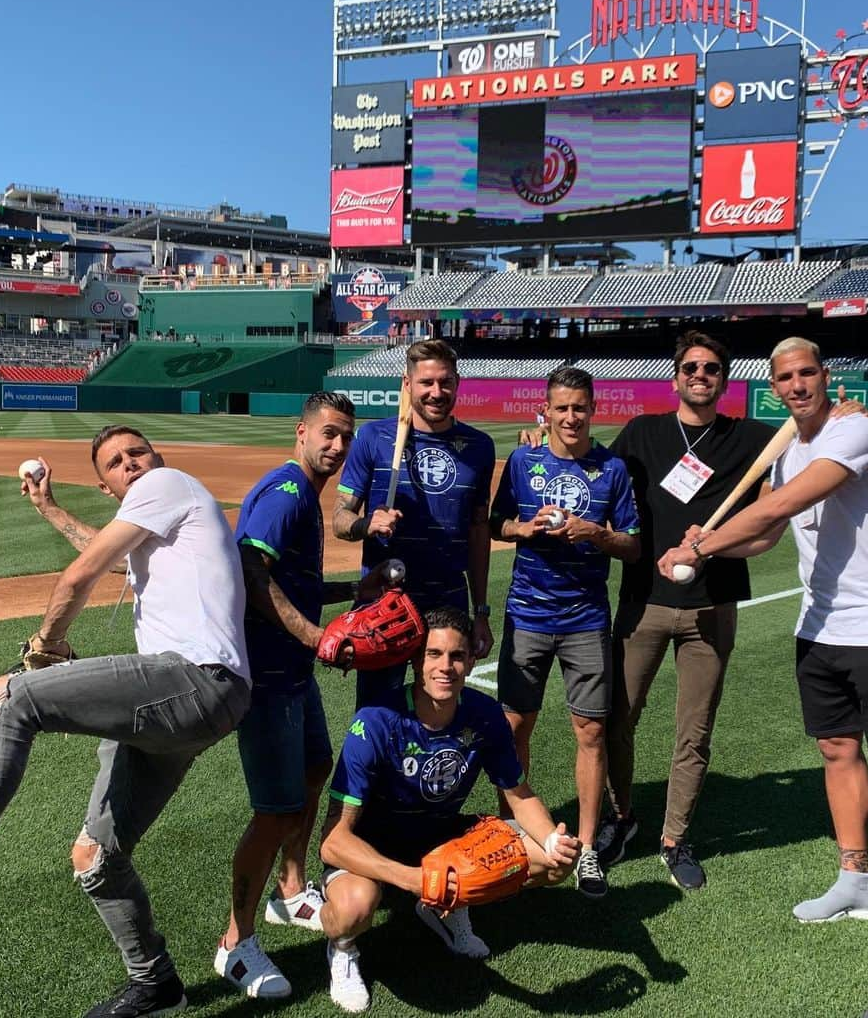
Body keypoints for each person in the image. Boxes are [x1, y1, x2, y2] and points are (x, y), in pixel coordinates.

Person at [0, 425, 251, 1017]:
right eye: (115, 463)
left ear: (157, 460)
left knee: (10, 696)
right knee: (96, 855)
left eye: (138, 452)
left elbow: (80, 575)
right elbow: (109, 560)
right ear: (109, 488)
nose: (131, 464)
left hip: (192, 678)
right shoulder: (156, 535)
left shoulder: (166, 484)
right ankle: (155, 982)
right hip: (200, 703)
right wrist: (51, 509)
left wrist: (46, 642)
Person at [658, 337, 868, 964]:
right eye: (785, 378)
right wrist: (713, 539)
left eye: (807, 373)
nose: (797, 385)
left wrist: (702, 546)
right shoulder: (787, 449)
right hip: (819, 623)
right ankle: (856, 879)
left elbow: (789, 501)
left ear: (825, 377)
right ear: (773, 387)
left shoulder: (854, 433)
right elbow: (769, 533)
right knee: (836, 751)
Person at [216, 392, 393, 1000]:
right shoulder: (287, 493)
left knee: (317, 769)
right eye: (328, 433)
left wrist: (356, 588)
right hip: (268, 679)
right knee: (273, 814)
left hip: (295, 674)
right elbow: (250, 572)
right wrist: (318, 637)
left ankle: (290, 891)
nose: (338, 446)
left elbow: (297, 584)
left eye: (345, 436)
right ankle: (233, 945)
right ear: (300, 432)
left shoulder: (307, 501)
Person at [317, 606, 581, 1013]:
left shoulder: (485, 714)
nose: (446, 667)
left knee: (552, 864)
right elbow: (333, 842)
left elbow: (519, 794)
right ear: (415, 661)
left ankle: (445, 907)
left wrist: (552, 838)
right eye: (434, 655)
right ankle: (343, 949)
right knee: (353, 910)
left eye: (456, 656)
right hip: (371, 847)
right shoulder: (375, 722)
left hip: (440, 837)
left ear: (471, 661)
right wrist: (412, 879)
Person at [597, 330, 782, 890]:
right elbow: (595, 481)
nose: (701, 376)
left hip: (712, 608)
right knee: (617, 718)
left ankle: (675, 838)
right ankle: (622, 818)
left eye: (711, 369)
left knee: (694, 730)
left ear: (725, 379)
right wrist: (540, 444)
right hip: (643, 602)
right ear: (676, 376)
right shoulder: (643, 432)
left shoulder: (752, 438)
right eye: (692, 367)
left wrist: (714, 547)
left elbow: (770, 527)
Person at [491, 366, 641, 899]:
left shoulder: (612, 470)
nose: (571, 417)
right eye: (561, 408)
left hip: (585, 620)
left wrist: (596, 533)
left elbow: (633, 545)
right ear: (545, 411)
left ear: (592, 409)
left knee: (591, 732)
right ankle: (509, 835)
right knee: (513, 727)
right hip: (527, 614)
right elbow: (496, 524)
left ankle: (588, 847)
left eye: (580, 407)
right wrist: (525, 528)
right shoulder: (524, 460)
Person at [333, 339, 496, 707]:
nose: (436, 392)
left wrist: (481, 611)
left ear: (457, 383)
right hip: (387, 601)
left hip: (448, 601)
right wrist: (366, 525)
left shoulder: (480, 447)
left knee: (441, 710)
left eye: (445, 382)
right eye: (426, 383)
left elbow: (478, 531)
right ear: (407, 385)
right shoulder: (374, 438)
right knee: (376, 713)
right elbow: (340, 519)